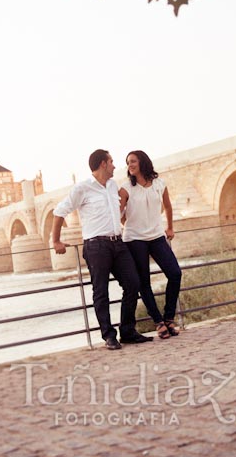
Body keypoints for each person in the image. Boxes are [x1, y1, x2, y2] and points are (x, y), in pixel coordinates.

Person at [52, 149, 152, 350]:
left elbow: (119, 212)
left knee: (133, 283)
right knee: (101, 292)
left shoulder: (112, 185)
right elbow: (59, 212)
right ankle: (109, 335)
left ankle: (128, 331)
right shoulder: (82, 188)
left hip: (118, 242)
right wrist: (56, 241)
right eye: (112, 161)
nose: (115, 165)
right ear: (103, 164)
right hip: (96, 246)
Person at [119, 150, 182, 340]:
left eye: (133, 161)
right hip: (134, 239)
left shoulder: (159, 184)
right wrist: (132, 227)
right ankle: (159, 322)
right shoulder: (124, 189)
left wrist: (169, 228)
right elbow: (119, 215)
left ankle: (169, 318)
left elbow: (168, 206)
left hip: (157, 236)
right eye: (128, 162)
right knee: (143, 282)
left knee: (175, 273)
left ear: (143, 162)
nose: (130, 165)